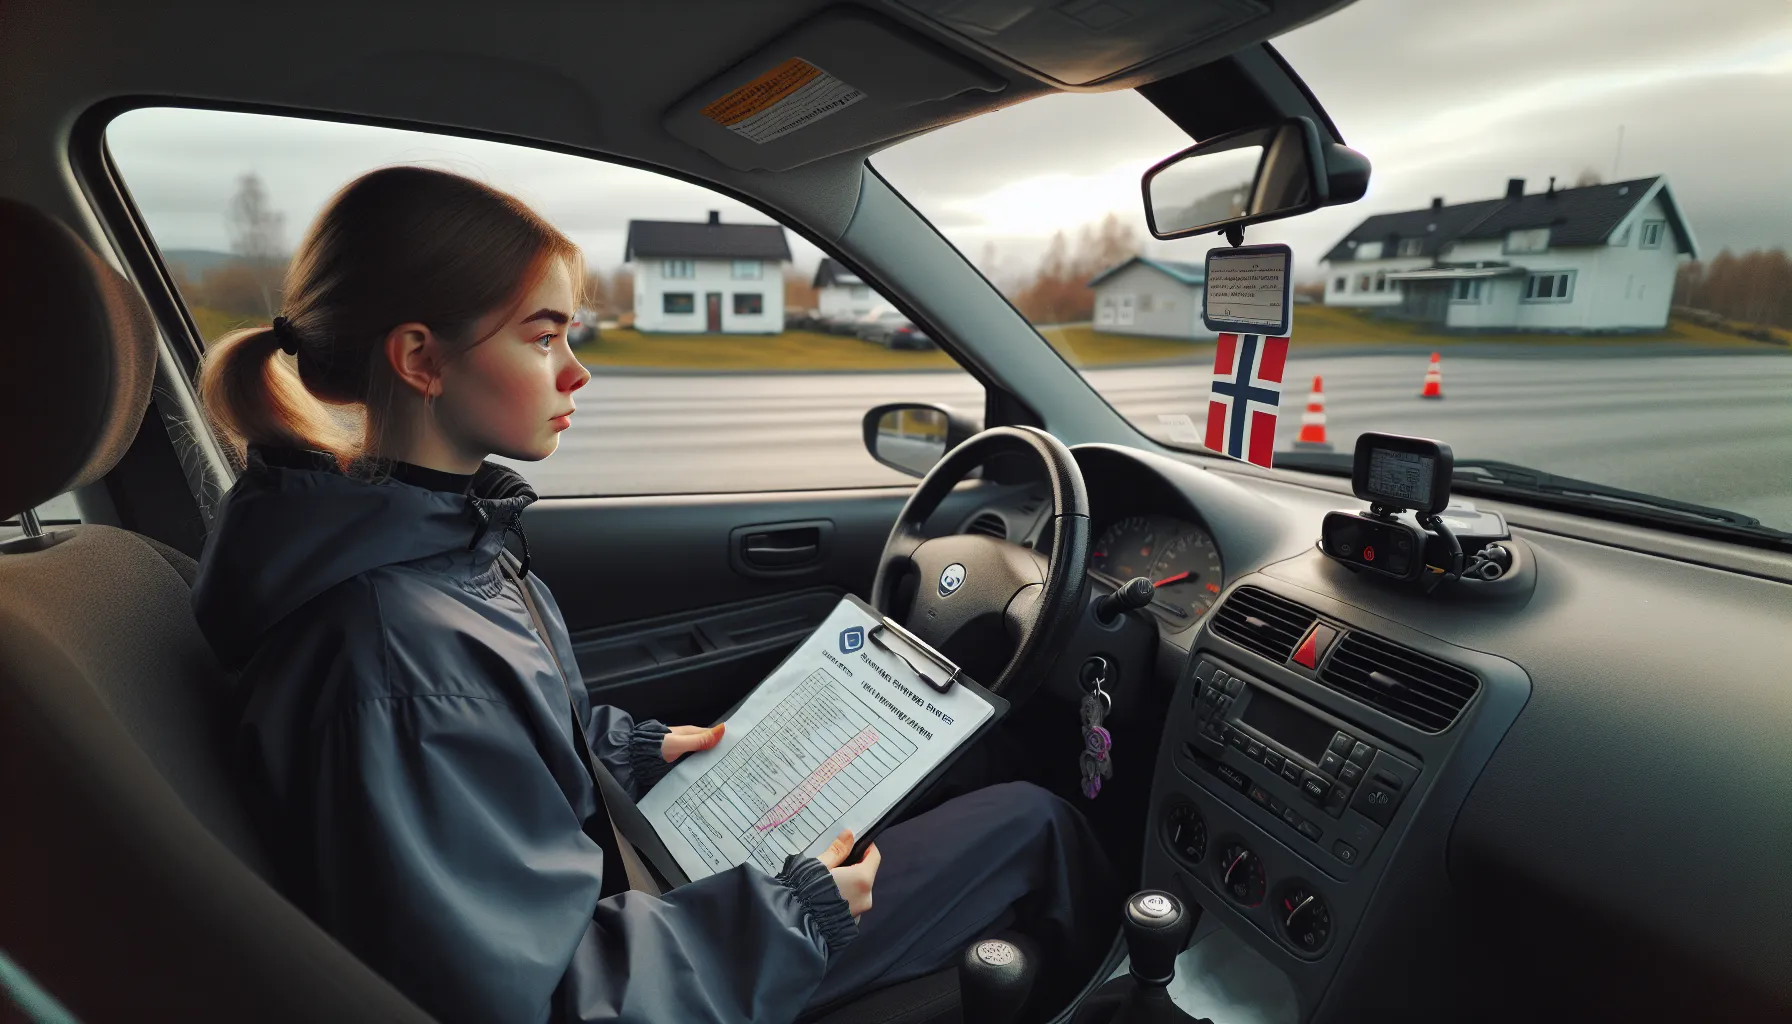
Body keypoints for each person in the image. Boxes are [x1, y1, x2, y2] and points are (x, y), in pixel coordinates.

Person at [190, 166, 1118, 1024]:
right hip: (644, 963)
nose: (575, 371)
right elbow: (544, 997)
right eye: (543, 336)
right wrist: (798, 914)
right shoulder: (390, 648)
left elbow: (486, 766)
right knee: (1033, 824)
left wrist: (627, 749)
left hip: (621, 901)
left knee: (960, 768)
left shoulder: (429, 547)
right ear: (421, 361)